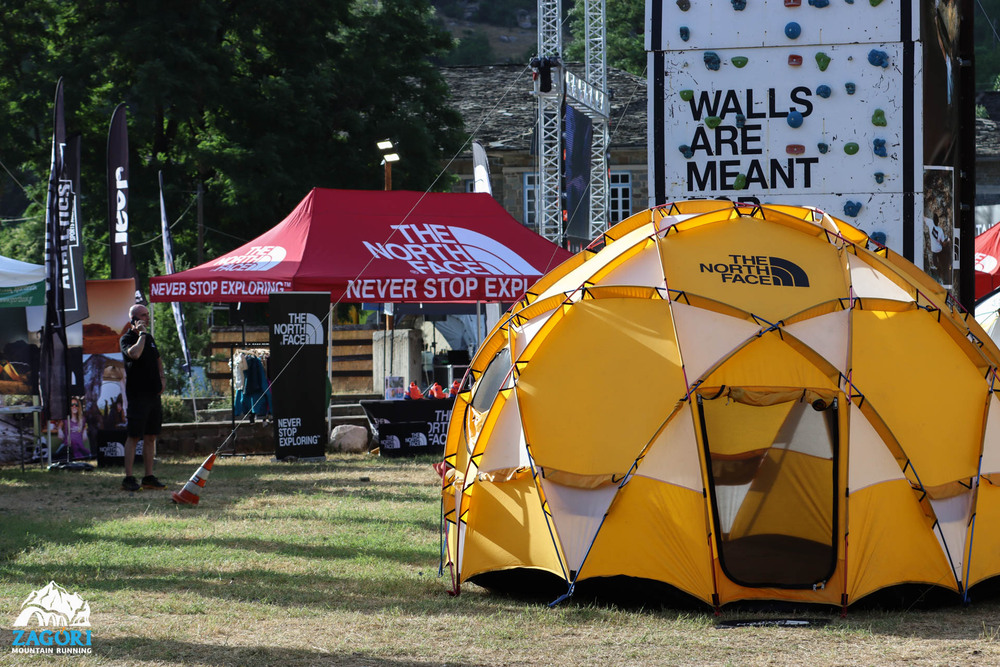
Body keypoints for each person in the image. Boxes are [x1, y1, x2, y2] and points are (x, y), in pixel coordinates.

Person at [119, 304, 166, 491]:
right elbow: (135, 354)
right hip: (138, 395)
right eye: (143, 316)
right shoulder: (127, 339)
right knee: (134, 436)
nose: (147, 318)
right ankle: (128, 478)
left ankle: (148, 476)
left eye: (147, 315)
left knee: (151, 436)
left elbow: (157, 359)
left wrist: (162, 378)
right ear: (134, 320)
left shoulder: (151, 339)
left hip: (153, 394)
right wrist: (142, 335)